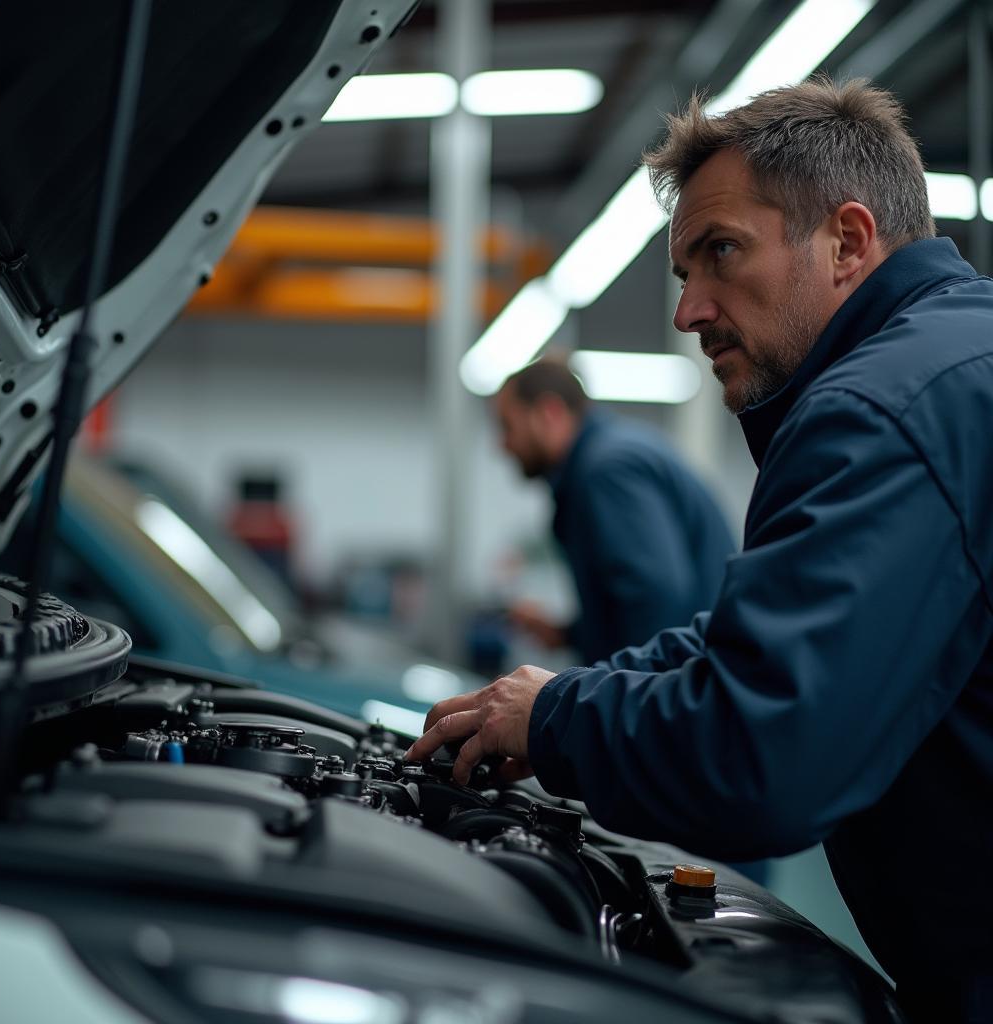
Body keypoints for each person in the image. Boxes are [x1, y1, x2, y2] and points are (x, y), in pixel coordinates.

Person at [408, 77, 993, 1023]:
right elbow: (753, 628)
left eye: (722, 253)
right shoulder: (953, 362)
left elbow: (764, 753)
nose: (690, 311)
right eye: (685, 273)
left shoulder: (882, 410)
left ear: (847, 242)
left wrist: (563, 719)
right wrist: (554, 700)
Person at [495, 357, 735, 665]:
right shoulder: (608, 457)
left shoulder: (608, 470)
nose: (503, 445)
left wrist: (617, 702)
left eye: (507, 426)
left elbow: (658, 603)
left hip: (682, 691)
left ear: (549, 413)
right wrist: (568, 634)